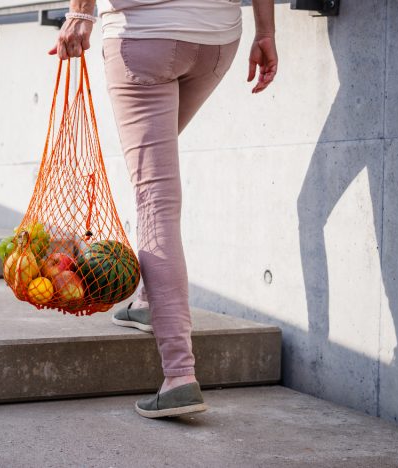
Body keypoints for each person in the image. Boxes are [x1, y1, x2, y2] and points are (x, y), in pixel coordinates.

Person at [49, 0, 277, 418]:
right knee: (154, 183)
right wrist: (267, 32)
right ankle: (148, 303)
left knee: (155, 197)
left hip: (144, 34)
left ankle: (179, 376)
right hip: (217, 39)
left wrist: (81, 13)